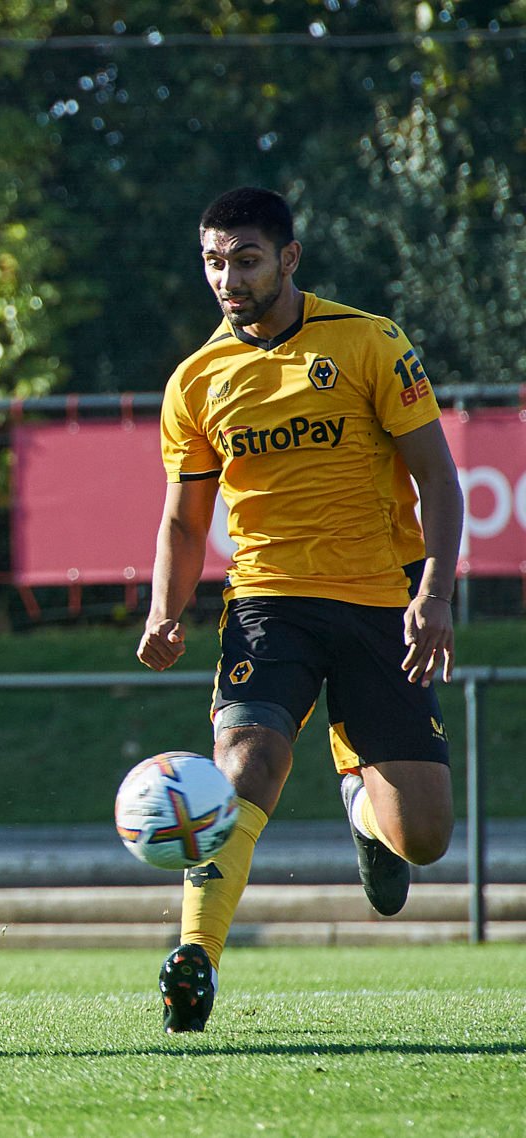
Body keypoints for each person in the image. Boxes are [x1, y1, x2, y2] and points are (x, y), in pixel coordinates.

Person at [137, 187, 462, 1034]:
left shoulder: (367, 342)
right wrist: (164, 610)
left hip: (378, 603)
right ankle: (195, 959)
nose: (227, 278)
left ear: (289, 258)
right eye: (213, 260)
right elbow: (184, 516)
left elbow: (440, 481)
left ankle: (361, 806)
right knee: (246, 766)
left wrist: (433, 594)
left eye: (244, 259)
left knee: (424, 838)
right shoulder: (198, 379)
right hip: (266, 604)